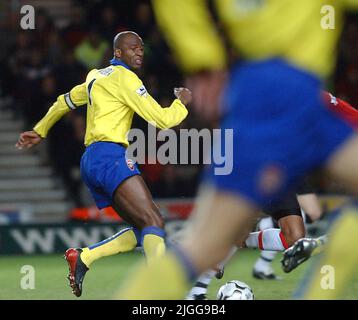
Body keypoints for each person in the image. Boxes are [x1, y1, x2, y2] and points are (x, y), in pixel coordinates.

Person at [117, 1, 358, 299]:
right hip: (267, 96)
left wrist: (201, 58)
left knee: (211, 244)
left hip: (302, 99)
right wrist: (202, 60)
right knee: (207, 245)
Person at [15, 31, 192, 297]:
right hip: (110, 156)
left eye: (141, 48)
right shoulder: (126, 79)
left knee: (146, 227)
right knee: (154, 220)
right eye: (133, 48)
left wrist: (40, 130)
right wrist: (182, 103)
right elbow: (163, 120)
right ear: (118, 53)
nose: (139, 52)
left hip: (91, 161)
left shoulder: (95, 77)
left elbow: (63, 102)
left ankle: (84, 257)